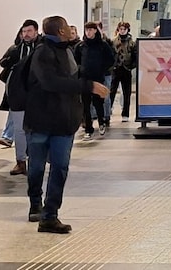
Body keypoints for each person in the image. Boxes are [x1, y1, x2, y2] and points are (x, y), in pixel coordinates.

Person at [25, 15, 106, 233]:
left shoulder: (68, 51)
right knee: (36, 168)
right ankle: (35, 204)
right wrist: (88, 86)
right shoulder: (43, 52)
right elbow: (50, 83)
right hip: (41, 121)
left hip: (63, 121)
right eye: (67, 27)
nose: (72, 29)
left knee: (60, 168)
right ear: (60, 31)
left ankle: (50, 215)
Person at [0, 20, 38, 175]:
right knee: (19, 130)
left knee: (36, 130)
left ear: (36, 31)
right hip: (18, 95)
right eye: (24, 31)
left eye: (29, 31)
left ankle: (35, 161)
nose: (26, 34)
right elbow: (3, 62)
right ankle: (20, 162)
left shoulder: (42, 49)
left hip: (37, 96)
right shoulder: (16, 49)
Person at [76, 21, 116, 140]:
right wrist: (80, 70)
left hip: (98, 77)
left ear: (95, 31)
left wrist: (102, 69)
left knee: (98, 102)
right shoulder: (81, 46)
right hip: (84, 79)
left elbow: (111, 58)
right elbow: (76, 60)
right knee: (86, 104)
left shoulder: (103, 45)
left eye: (90, 30)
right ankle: (88, 128)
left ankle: (101, 122)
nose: (88, 32)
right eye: (86, 30)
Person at [111, 22, 138, 120]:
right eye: (120, 29)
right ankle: (108, 110)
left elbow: (135, 57)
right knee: (112, 91)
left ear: (127, 30)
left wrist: (131, 66)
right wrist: (112, 66)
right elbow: (110, 55)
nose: (122, 31)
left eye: (124, 29)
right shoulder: (113, 41)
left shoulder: (132, 43)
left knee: (127, 92)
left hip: (126, 69)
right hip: (116, 69)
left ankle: (125, 114)